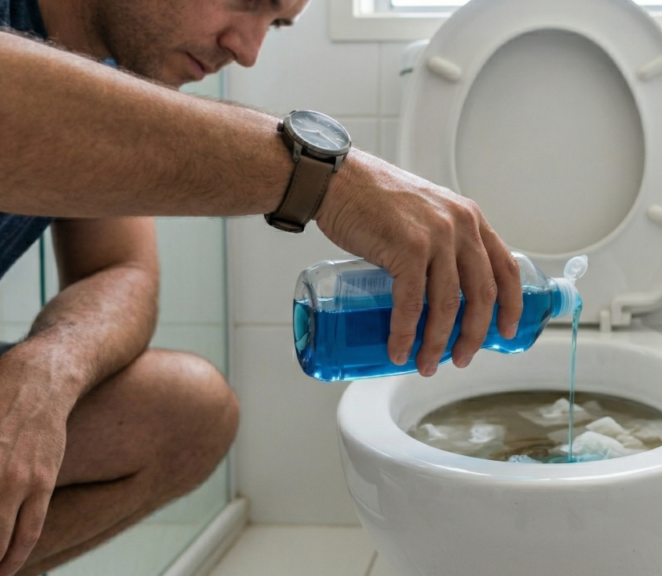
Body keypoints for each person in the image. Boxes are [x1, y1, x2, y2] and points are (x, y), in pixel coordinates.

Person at [0, 0, 524, 573]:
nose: (247, 51)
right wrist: (325, 179)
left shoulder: (106, 65)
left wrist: (49, 370)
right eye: (247, 2)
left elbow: (119, 269)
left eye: (273, 25)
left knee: (188, 416)